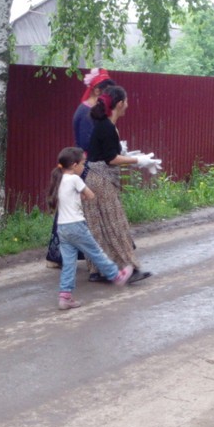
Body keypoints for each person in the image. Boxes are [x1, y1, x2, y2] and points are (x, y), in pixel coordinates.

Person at [46, 68, 117, 269]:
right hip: (84, 165)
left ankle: (60, 256)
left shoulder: (88, 110)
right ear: (97, 91)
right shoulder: (86, 112)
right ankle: (63, 255)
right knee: (80, 209)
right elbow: (86, 143)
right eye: (106, 92)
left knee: (74, 208)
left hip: (83, 163)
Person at [47, 147, 134, 309]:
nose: (84, 167)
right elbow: (91, 195)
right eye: (83, 164)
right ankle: (116, 275)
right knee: (96, 252)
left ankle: (65, 296)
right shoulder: (75, 179)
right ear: (74, 165)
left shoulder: (59, 180)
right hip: (77, 225)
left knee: (68, 263)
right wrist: (84, 195)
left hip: (62, 228)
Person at [84, 85, 156, 282]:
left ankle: (97, 270)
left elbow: (108, 154)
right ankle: (128, 268)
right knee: (116, 224)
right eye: (126, 101)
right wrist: (138, 160)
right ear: (120, 103)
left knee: (98, 226)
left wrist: (129, 156)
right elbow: (111, 159)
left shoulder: (106, 125)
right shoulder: (107, 126)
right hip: (101, 181)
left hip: (93, 179)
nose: (128, 105)